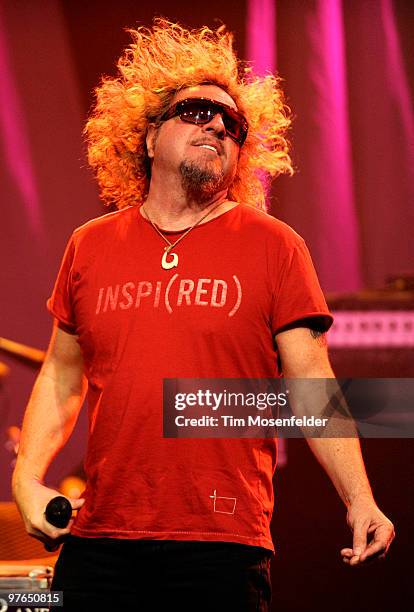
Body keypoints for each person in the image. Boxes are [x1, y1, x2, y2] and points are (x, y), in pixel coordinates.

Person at [12, 18, 394, 611]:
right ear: (146, 136)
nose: (217, 123)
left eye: (233, 124)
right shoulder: (90, 245)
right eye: (195, 111)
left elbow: (313, 387)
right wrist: (26, 480)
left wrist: (360, 499)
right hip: (101, 539)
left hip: (220, 541)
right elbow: (63, 375)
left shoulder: (275, 245)